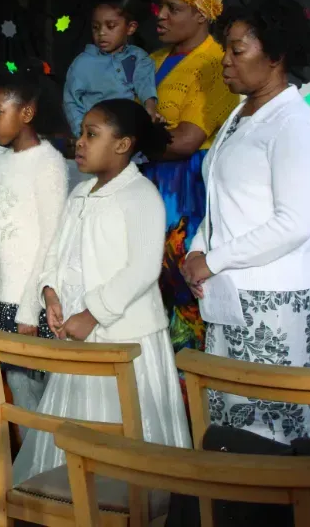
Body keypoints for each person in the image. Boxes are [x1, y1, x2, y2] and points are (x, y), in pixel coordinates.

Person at [12, 99, 191, 483]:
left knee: (124, 434)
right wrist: (51, 293)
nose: (79, 142)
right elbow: (56, 253)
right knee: (77, 430)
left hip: (126, 340)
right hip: (80, 337)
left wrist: (91, 313)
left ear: (123, 144)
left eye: (91, 135)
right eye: (81, 133)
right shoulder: (79, 194)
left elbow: (142, 269)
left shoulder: (141, 196)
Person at [182, 0, 310, 443]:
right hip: (231, 296)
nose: (225, 61)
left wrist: (214, 259)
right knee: (229, 421)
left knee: (271, 431)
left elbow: (294, 223)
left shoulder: (293, 123)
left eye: (237, 50)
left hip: (277, 302)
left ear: (276, 55)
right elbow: (220, 200)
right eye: (226, 48)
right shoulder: (239, 113)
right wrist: (197, 251)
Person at [142, 0, 239, 357]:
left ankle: (191, 411)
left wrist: (126, 139)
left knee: (185, 308)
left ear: (202, 14)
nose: (160, 15)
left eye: (174, 8)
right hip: (147, 189)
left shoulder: (216, 64)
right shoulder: (151, 60)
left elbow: (183, 141)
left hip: (185, 197)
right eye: (160, 5)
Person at [0, 65, 70, 413]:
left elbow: (51, 240)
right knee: (17, 395)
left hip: (25, 302)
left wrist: (30, 308)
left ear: (27, 113)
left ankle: (46, 468)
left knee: (37, 399)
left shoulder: (48, 163)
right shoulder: (2, 161)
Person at [63, 0, 159, 136]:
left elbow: (144, 83)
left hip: (129, 136)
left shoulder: (138, 58)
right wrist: (83, 133)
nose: (101, 33)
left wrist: (150, 109)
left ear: (130, 28)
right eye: (96, 27)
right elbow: (71, 101)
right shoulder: (82, 63)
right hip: (95, 136)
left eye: (111, 26)